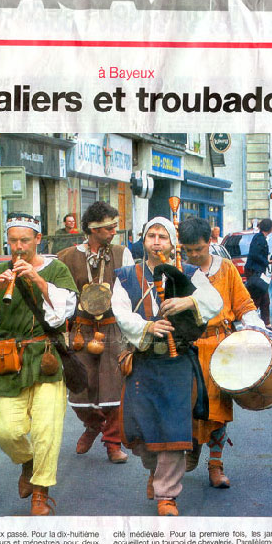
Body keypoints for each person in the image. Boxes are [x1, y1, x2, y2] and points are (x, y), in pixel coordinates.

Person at [0, 213, 78, 516]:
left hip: (46, 358)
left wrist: (37, 279)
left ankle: (41, 494)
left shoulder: (57, 269)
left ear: (37, 240)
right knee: (5, 429)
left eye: (24, 241)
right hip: (11, 359)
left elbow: (65, 311)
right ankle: (27, 463)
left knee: (46, 430)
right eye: (13, 241)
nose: (18, 247)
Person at [112, 217, 223, 516]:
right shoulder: (125, 276)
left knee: (174, 427)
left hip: (177, 363)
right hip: (144, 360)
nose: (157, 241)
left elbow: (214, 301)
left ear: (173, 244)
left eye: (163, 236)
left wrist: (188, 303)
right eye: (152, 235)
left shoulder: (188, 273)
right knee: (144, 429)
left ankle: (167, 495)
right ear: (143, 241)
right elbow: (121, 313)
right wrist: (148, 326)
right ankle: (154, 472)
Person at [179, 218, 265, 487]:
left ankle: (215, 464)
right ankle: (191, 445)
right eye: (188, 250)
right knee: (188, 407)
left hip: (220, 349)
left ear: (210, 243)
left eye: (199, 250)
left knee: (218, 410)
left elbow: (243, 304)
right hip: (187, 350)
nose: (194, 255)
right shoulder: (179, 271)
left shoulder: (226, 269)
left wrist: (258, 332)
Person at [57, 201, 134, 463]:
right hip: (81, 330)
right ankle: (93, 424)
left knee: (114, 389)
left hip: (113, 327)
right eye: (109, 227)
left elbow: (130, 292)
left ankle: (113, 443)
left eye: (115, 226)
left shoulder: (122, 253)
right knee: (79, 390)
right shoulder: (66, 256)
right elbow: (60, 297)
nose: (114, 231)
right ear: (93, 229)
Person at [244, 218, 272, 326]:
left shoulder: (260, 238)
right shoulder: (259, 238)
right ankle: (251, 322)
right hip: (254, 272)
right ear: (270, 228)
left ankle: (266, 323)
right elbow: (255, 254)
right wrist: (267, 262)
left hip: (257, 271)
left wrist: (267, 262)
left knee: (264, 299)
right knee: (257, 298)